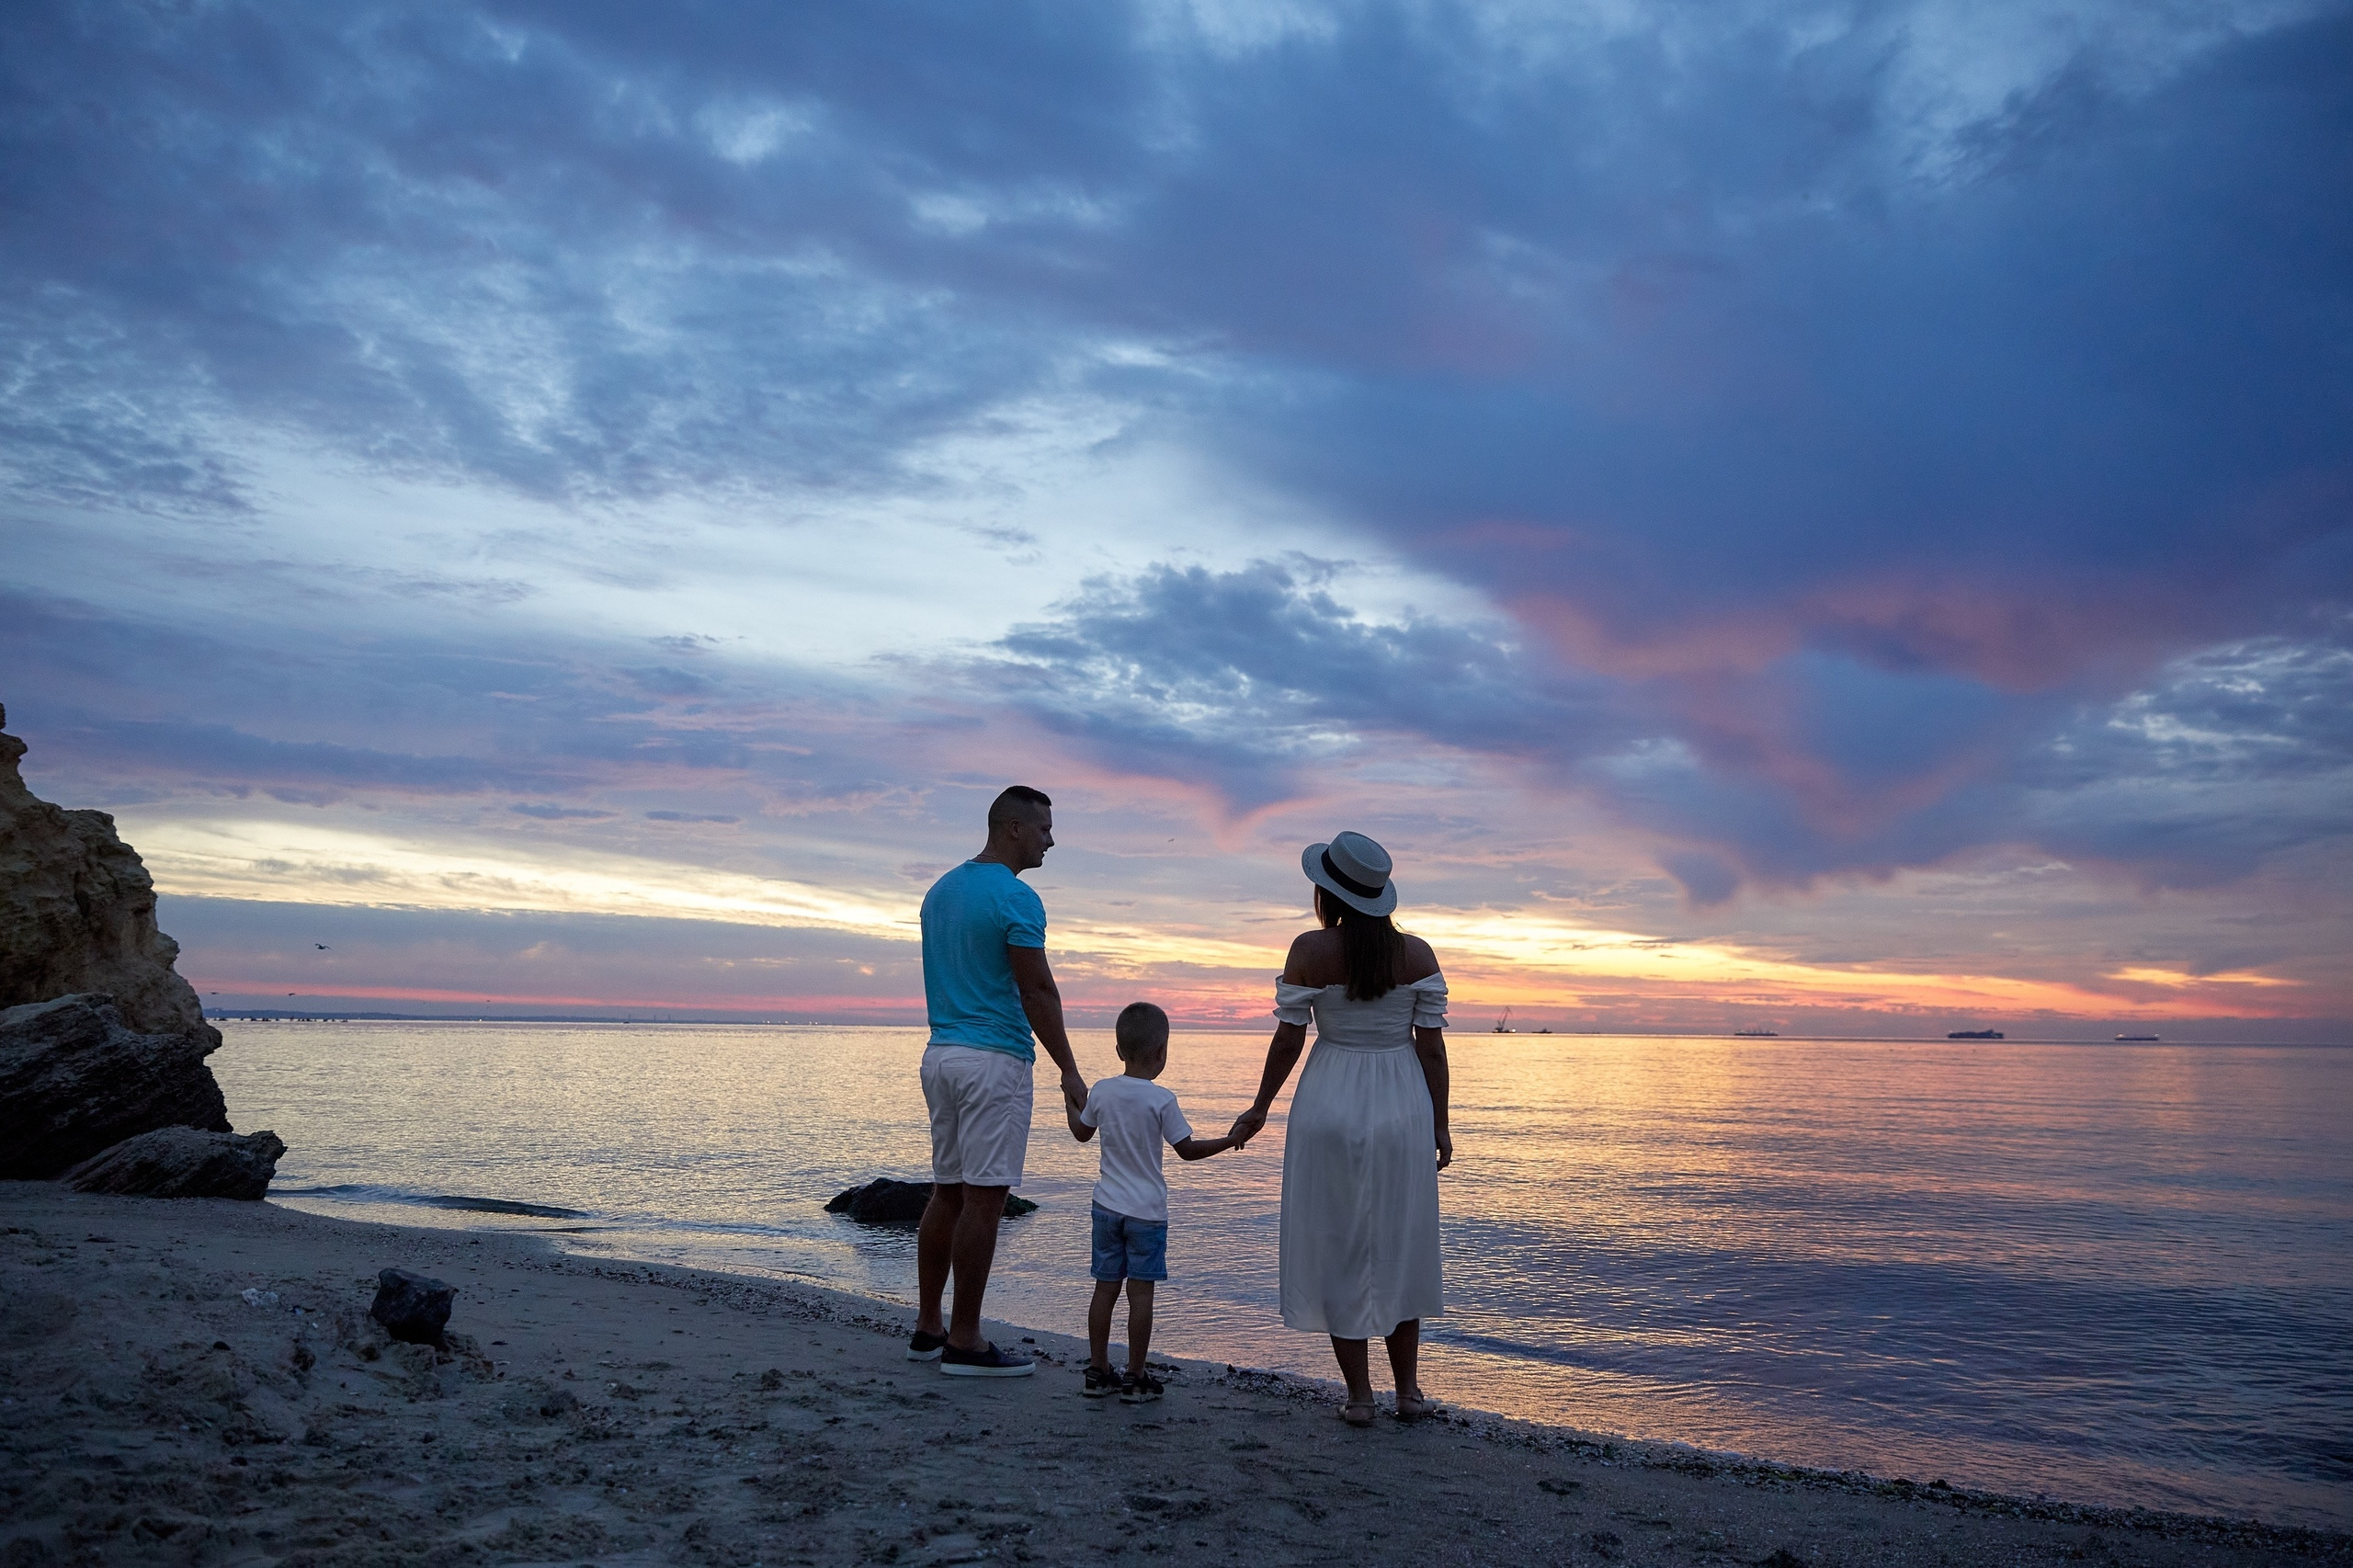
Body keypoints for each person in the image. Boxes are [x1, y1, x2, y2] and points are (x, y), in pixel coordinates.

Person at [1229, 831, 1451, 1426]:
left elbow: (1287, 1038)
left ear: (1327, 894)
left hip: (1328, 1100)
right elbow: (1431, 1051)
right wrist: (1442, 1124)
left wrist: (1260, 1105)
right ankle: (1408, 1392)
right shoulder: (1419, 957)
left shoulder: (1309, 950)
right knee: (1399, 1243)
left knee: (1338, 1246)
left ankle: (1359, 1398)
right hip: (1403, 1104)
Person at [910, 785, 1089, 1377]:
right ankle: (965, 1341)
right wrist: (1068, 1067)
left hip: (942, 1055)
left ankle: (929, 1325)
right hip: (995, 1062)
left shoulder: (940, 892)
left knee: (947, 1192)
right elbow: (1037, 989)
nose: (1051, 839)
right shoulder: (1017, 898)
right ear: (1013, 828)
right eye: (1043, 828)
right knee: (985, 1201)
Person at [1065, 1001, 1251, 1403]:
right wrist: (1230, 1139)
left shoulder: (1102, 1090)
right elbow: (1187, 1150)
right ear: (1161, 1053)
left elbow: (1081, 1133)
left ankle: (1097, 1371)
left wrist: (1070, 1098)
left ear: (1118, 1050)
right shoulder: (1162, 1100)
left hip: (1106, 1208)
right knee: (1141, 1295)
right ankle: (1134, 1376)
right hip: (1146, 1214)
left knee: (1104, 1289)